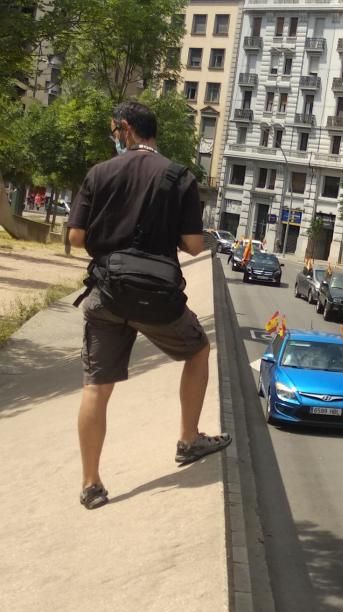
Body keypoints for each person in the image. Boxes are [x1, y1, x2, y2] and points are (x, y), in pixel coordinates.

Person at [67, 101, 231, 510]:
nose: (114, 137)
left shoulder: (99, 173)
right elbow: (193, 246)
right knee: (198, 351)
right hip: (157, 298)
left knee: (95, 388)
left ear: (126, 129)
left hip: (106, 293)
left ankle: (91, 484)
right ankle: (189, 439)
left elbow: (75, 237)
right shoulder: (179, 177)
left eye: (114, 130)